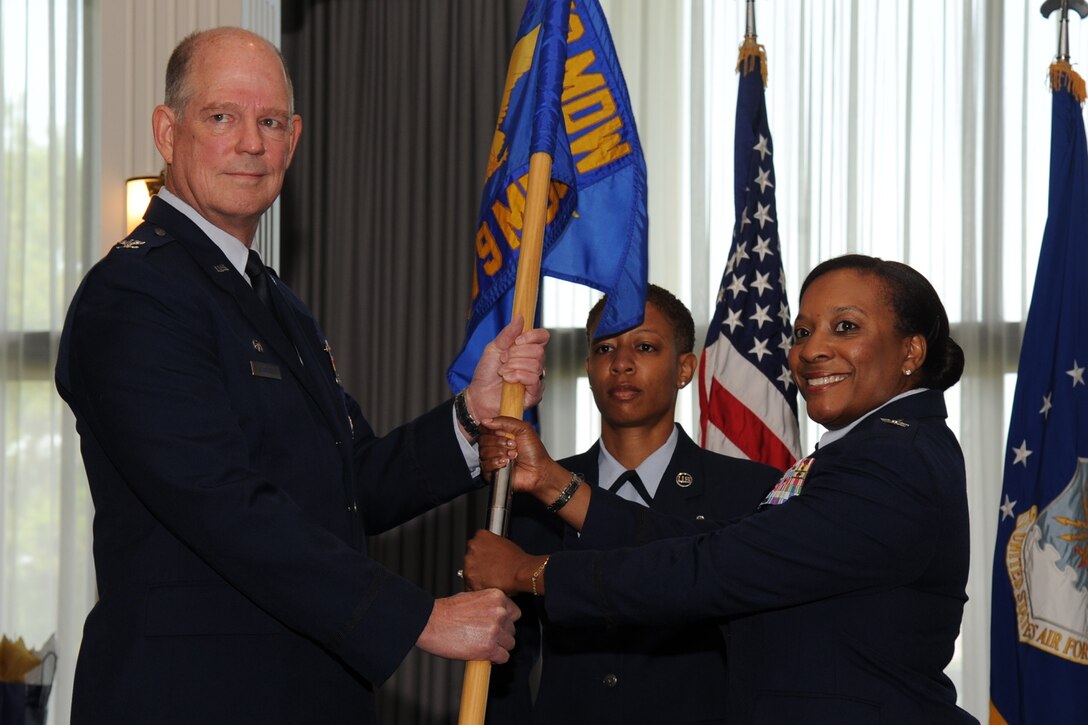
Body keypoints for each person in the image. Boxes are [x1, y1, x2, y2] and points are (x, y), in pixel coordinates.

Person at [55, 27, 548, 724]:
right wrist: (417, 617)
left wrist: (469, 416)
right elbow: (224, 505)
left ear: (295, 137)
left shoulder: (276, 300)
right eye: (222, 117)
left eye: (272, 122)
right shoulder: (135, 295)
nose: (252, 143)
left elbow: (347, 487)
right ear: (168, 131)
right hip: (191, 698)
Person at [466, 254, 979, 725]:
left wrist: (529, 571)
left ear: (911, 351)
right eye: (802, 332)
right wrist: (555, 483)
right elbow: (711, 547)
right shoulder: (867, 451)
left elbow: (712, 570)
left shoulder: (892, 458)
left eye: (845, 327)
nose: (813, 349)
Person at [485, 285, 780, 724]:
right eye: (605, 349)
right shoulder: (526, 493)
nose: (621, 364)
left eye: (645, 346)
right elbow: (506, 658)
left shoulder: (748, 490)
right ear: (588, 367)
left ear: (684, 369)